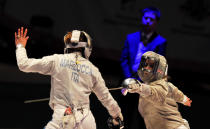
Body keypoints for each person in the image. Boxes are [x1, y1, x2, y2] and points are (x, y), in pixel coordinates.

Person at [15, 27, 123, 129]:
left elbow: (23, 64)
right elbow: (105, 97)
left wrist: (20, 46)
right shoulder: (93, 69)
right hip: (86, 122)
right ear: (86, 47)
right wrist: (117, 114)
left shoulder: (56, 60)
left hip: (61, 119)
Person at [125, 51, 192, 129]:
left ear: (159, 69)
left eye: (151, 66)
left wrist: (140, 88)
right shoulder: (148, 87)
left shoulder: (162, 85)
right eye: (145, 64)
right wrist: (184, 99)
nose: (146, 68)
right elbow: (177, 94)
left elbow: (156, 92)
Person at [120, 7, 167, 81]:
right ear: (142, 18)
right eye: (146, 18)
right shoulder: (131, 37)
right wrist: (129, 77)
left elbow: (157, 65)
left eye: (151, 19)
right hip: (127, 78)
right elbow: (124, 60)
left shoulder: (160, 42)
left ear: (156, 22)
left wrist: (141, 80)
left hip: (146, 82)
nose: (148, 21)